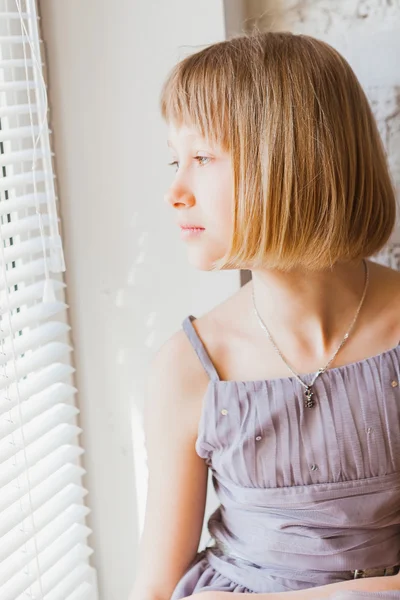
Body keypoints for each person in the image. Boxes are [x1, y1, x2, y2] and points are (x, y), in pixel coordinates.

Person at [130, 31, 400, 600]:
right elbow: (155, 587)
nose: (174, 190)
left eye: (201, 158)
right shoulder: (190, 370)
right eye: (174, 160)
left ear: (292, 161)